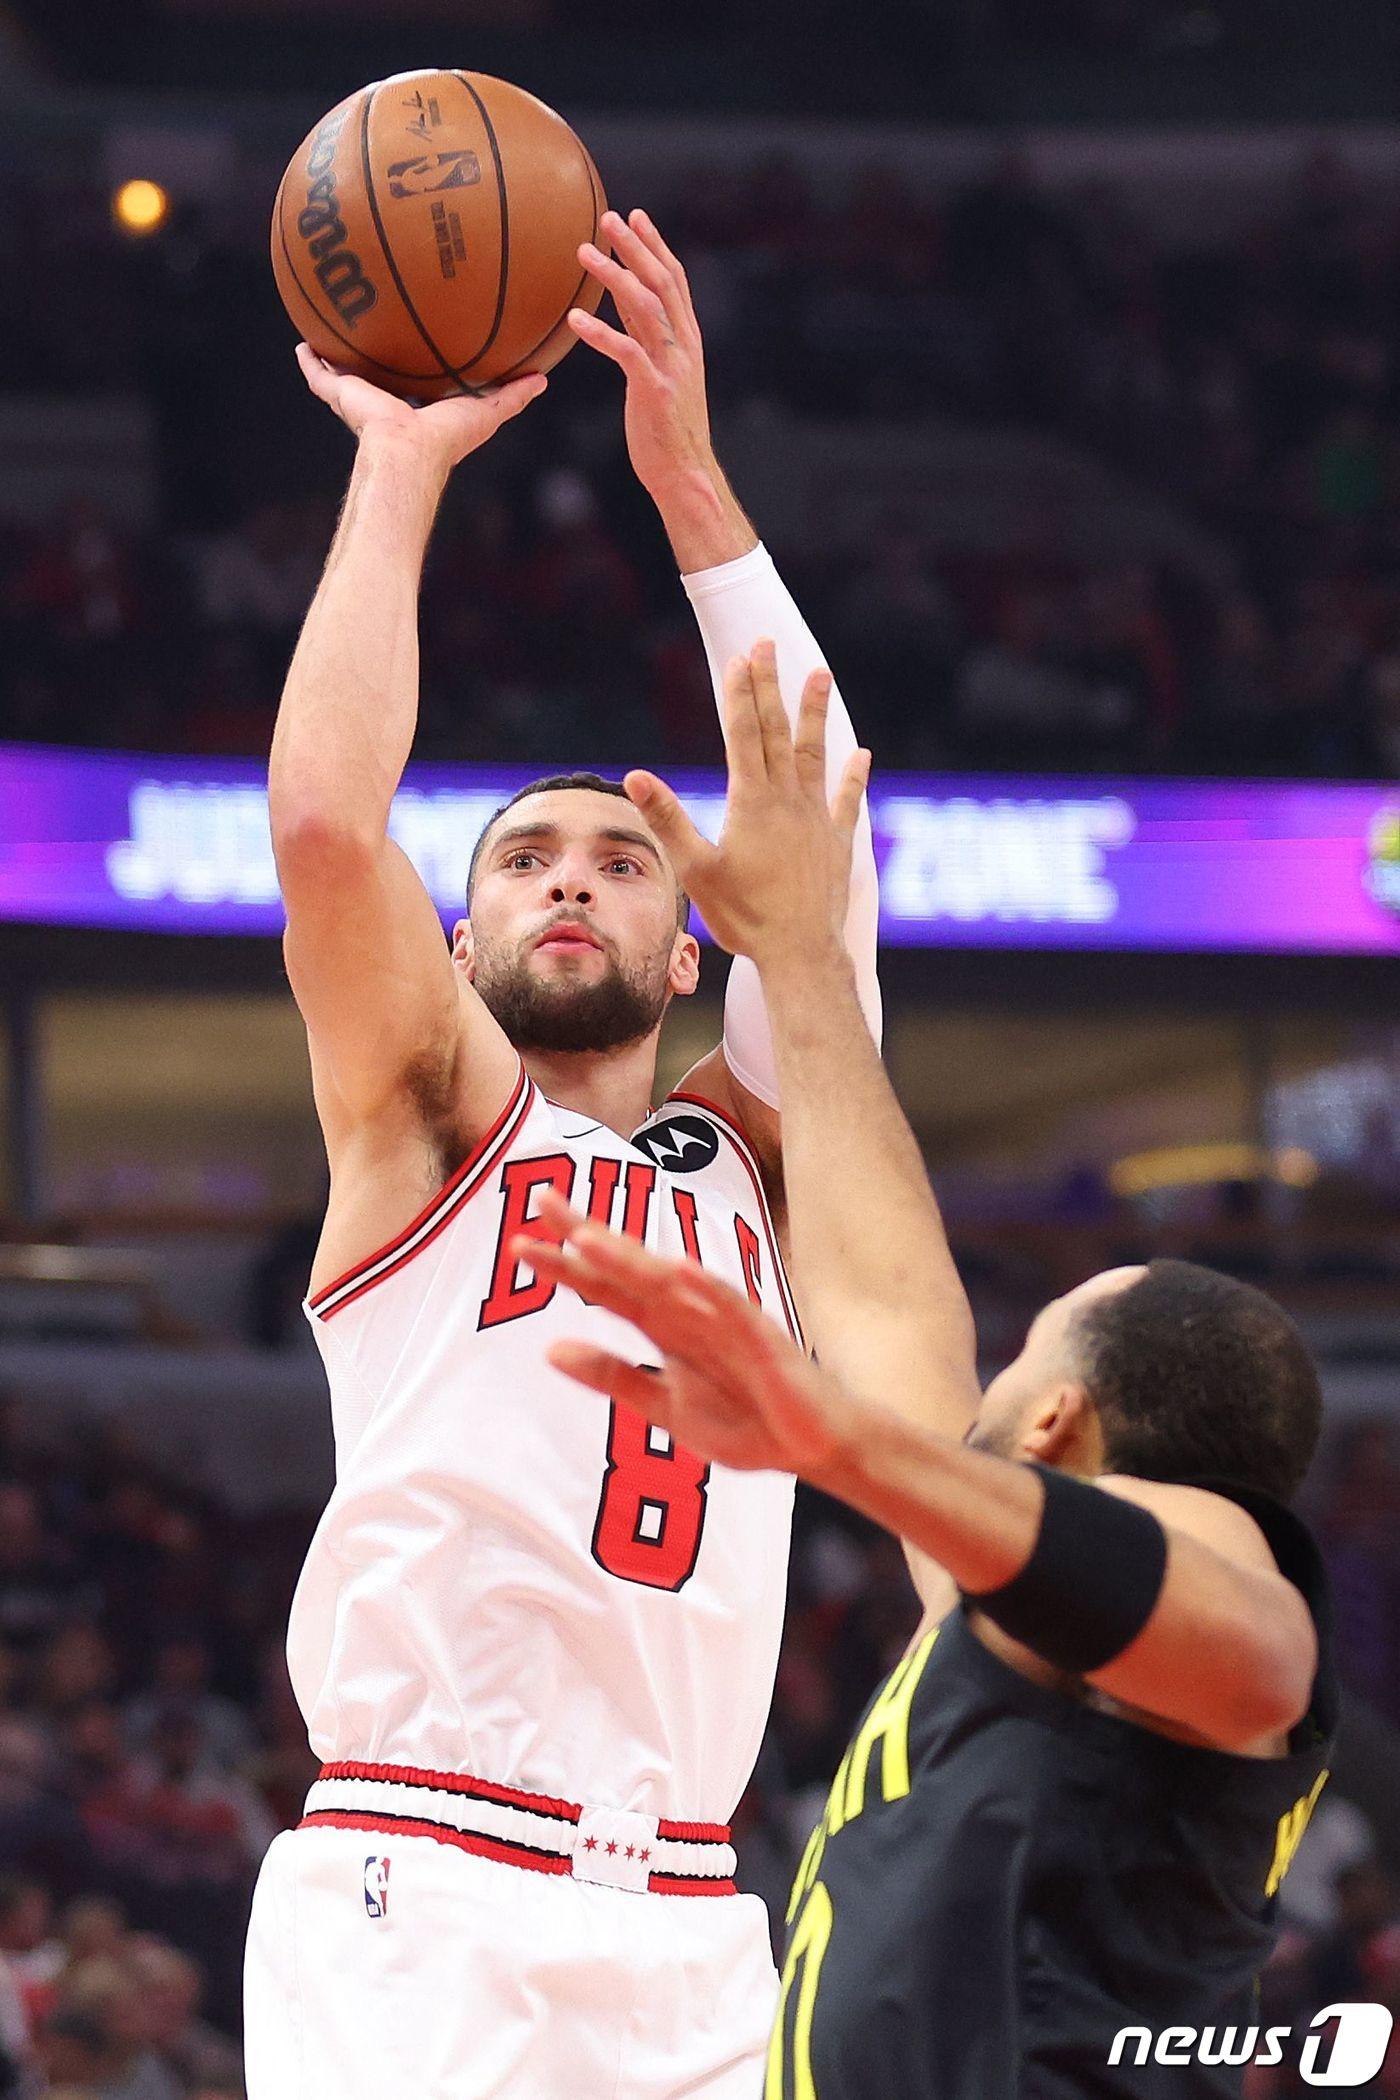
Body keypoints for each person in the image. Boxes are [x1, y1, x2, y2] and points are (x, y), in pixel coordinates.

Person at [246, 209, 882, 2100]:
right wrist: (397, 466)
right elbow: (324, 829)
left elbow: (826, 856)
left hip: (694, 1910)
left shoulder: (746, 1170)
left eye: (621, 859)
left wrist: (692, 487)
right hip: (423, 1884)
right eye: (524, 859)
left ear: (692, 947)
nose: (574, 879)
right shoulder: (430, 1118)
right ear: (461, 949)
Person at [527, 654, 1339, 2100]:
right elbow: (888, 1300)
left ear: (1057, 1418)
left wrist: (831, 1440)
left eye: (1023, 1351)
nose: (976, 1374)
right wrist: (805, 958)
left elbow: (1263, 1655)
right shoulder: (994, 1605)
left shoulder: (1200, 1555)